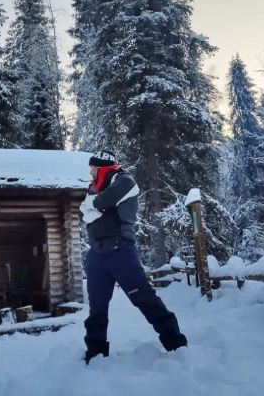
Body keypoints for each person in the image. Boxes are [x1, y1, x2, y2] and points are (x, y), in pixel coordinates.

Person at [79, 149, 188, 364]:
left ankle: (176, 345)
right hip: (96, 254)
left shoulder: (125, 181)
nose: (90, 171)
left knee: (144, 298)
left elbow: (99, 204)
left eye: (93, 167)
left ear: (102, 167)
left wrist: (95, 205)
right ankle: (95, 353)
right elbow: (84, 214)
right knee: (96, 307)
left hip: (121, 251)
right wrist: (95, 206)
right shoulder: (94, 187)